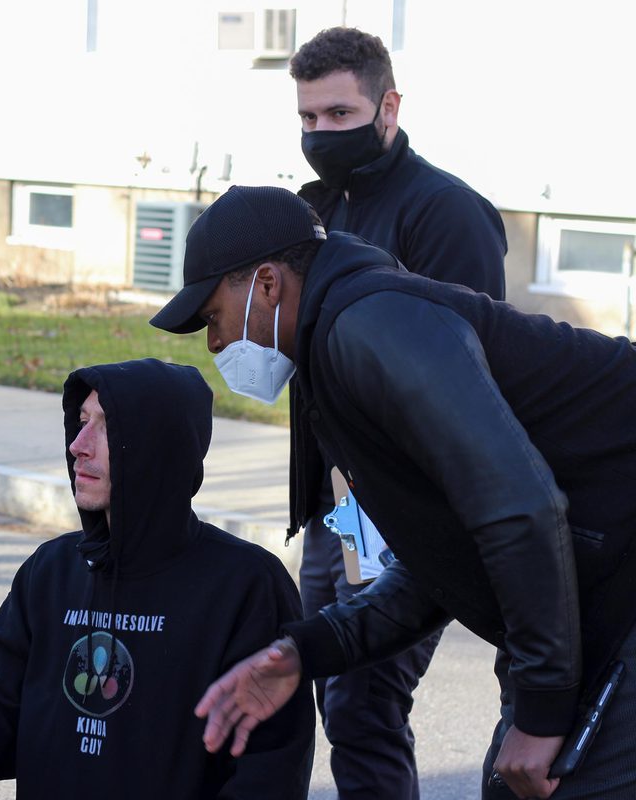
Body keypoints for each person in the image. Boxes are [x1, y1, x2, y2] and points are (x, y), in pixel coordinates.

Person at [150, 185, 636, 800]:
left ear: (268, 284)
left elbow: (519, 508)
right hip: (590, 584)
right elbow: (442, 562)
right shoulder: (337, 345)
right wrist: (308, 650)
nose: (215, 343)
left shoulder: (371, 325)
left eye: (213, 317)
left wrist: (542, 711)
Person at [0, 358, 314, 798]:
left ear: (158, 446)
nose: (78, 445)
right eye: (81, 421)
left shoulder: (246, 586)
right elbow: (5, 731)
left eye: (106, 427)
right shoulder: (49, 572)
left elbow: (270, 775)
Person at [287, 26, 508, 799]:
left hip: (406, 508)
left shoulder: (445, 213)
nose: (321, 134)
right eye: (309, 119)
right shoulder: (320, 209)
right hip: (336, 504)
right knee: (324, 683)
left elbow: (472, 373)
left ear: (389, 107)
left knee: (365, 695)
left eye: (339, 115)